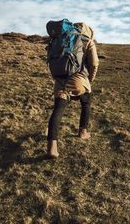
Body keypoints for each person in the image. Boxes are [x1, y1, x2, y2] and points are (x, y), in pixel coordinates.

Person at [47, 23, 99, 158]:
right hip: (79, 80)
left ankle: (52, 148)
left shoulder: (60, 39)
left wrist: (57, 77)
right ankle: (83, 132)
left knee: (58, 109)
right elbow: (94, 63)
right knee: (86, 103)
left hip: (60, 80)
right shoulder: (88, 41)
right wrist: (89, 80)